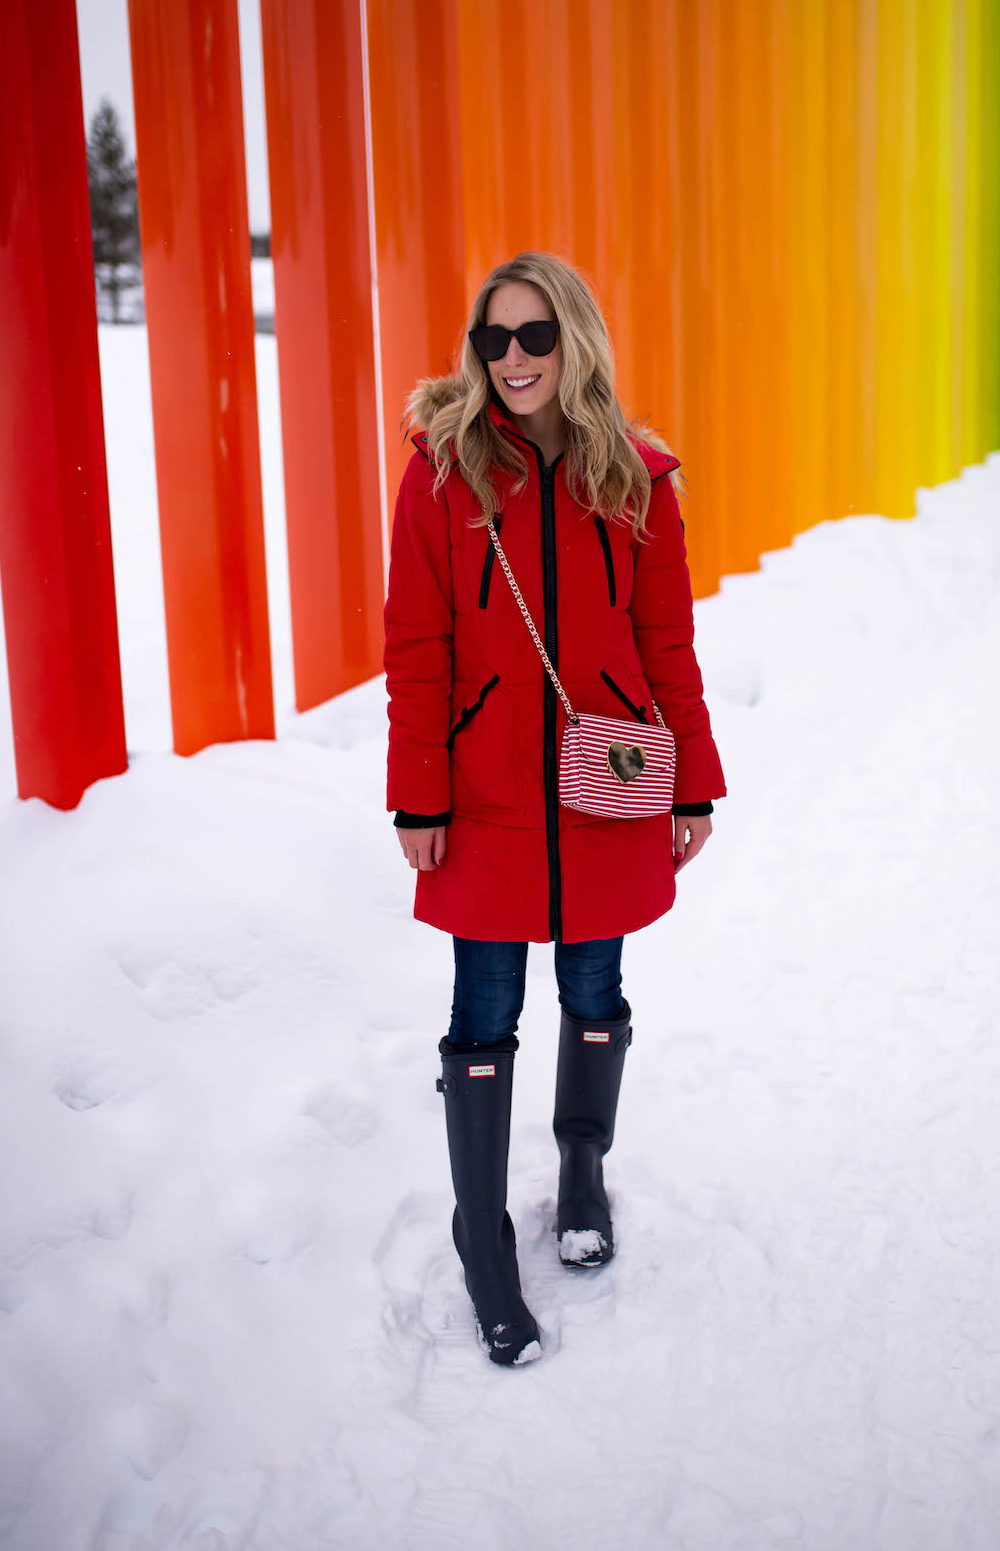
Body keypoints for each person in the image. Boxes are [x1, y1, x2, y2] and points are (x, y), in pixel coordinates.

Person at [383, 251, 726, 1367]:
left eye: (536, 336)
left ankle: (583, 1164)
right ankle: (482, 1239)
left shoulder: (636, 476)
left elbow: (667, 640)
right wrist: (415, 796)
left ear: (575, 339)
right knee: (482, 1009)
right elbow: (417, 650)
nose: (515, 359)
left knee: (595, 983)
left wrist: (693, 775)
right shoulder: (442, 473)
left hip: (604, 786)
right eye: (495, 340)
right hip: (478, 796)